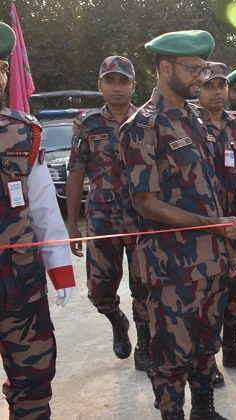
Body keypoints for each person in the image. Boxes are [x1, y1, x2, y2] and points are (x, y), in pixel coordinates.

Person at [120, 30, 236, 420]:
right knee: (170, 357)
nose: (200, 77)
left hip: (211, 261)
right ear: (165, 68)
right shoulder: (143, 125)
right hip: (172, 267)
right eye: (193, 69)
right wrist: (213, 225)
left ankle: (205, 411)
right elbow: (146, 202)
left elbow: (206, 189)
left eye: (203, 69)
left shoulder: (193, 120)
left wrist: (222, 234)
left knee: (205, 346)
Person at [0, 21, 75, 419]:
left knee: (33, 379)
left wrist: (60, 269)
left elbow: (45, 207)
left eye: (0, 68)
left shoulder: (23, 132)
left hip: (19, 286)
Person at [66, 55, 151, 372]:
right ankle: (117, 319)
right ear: (100, 85)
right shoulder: (88, 124)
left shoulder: (146, 120)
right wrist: (73, 225)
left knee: (145, 288)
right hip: (102, 219)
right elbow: (76, 174)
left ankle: (145, 346)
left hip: (143, 216)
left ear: (133, 85)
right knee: (99, 290)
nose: (117, 87)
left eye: (123, 81)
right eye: (111, 81)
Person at [197, 61, 236, 379]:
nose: (217, 91)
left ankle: (233, 350)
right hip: (203, 222)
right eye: (209, 85)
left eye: (221, 85)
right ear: (198, 89)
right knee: (208, 296)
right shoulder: (189, 124)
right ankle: (206, 361)